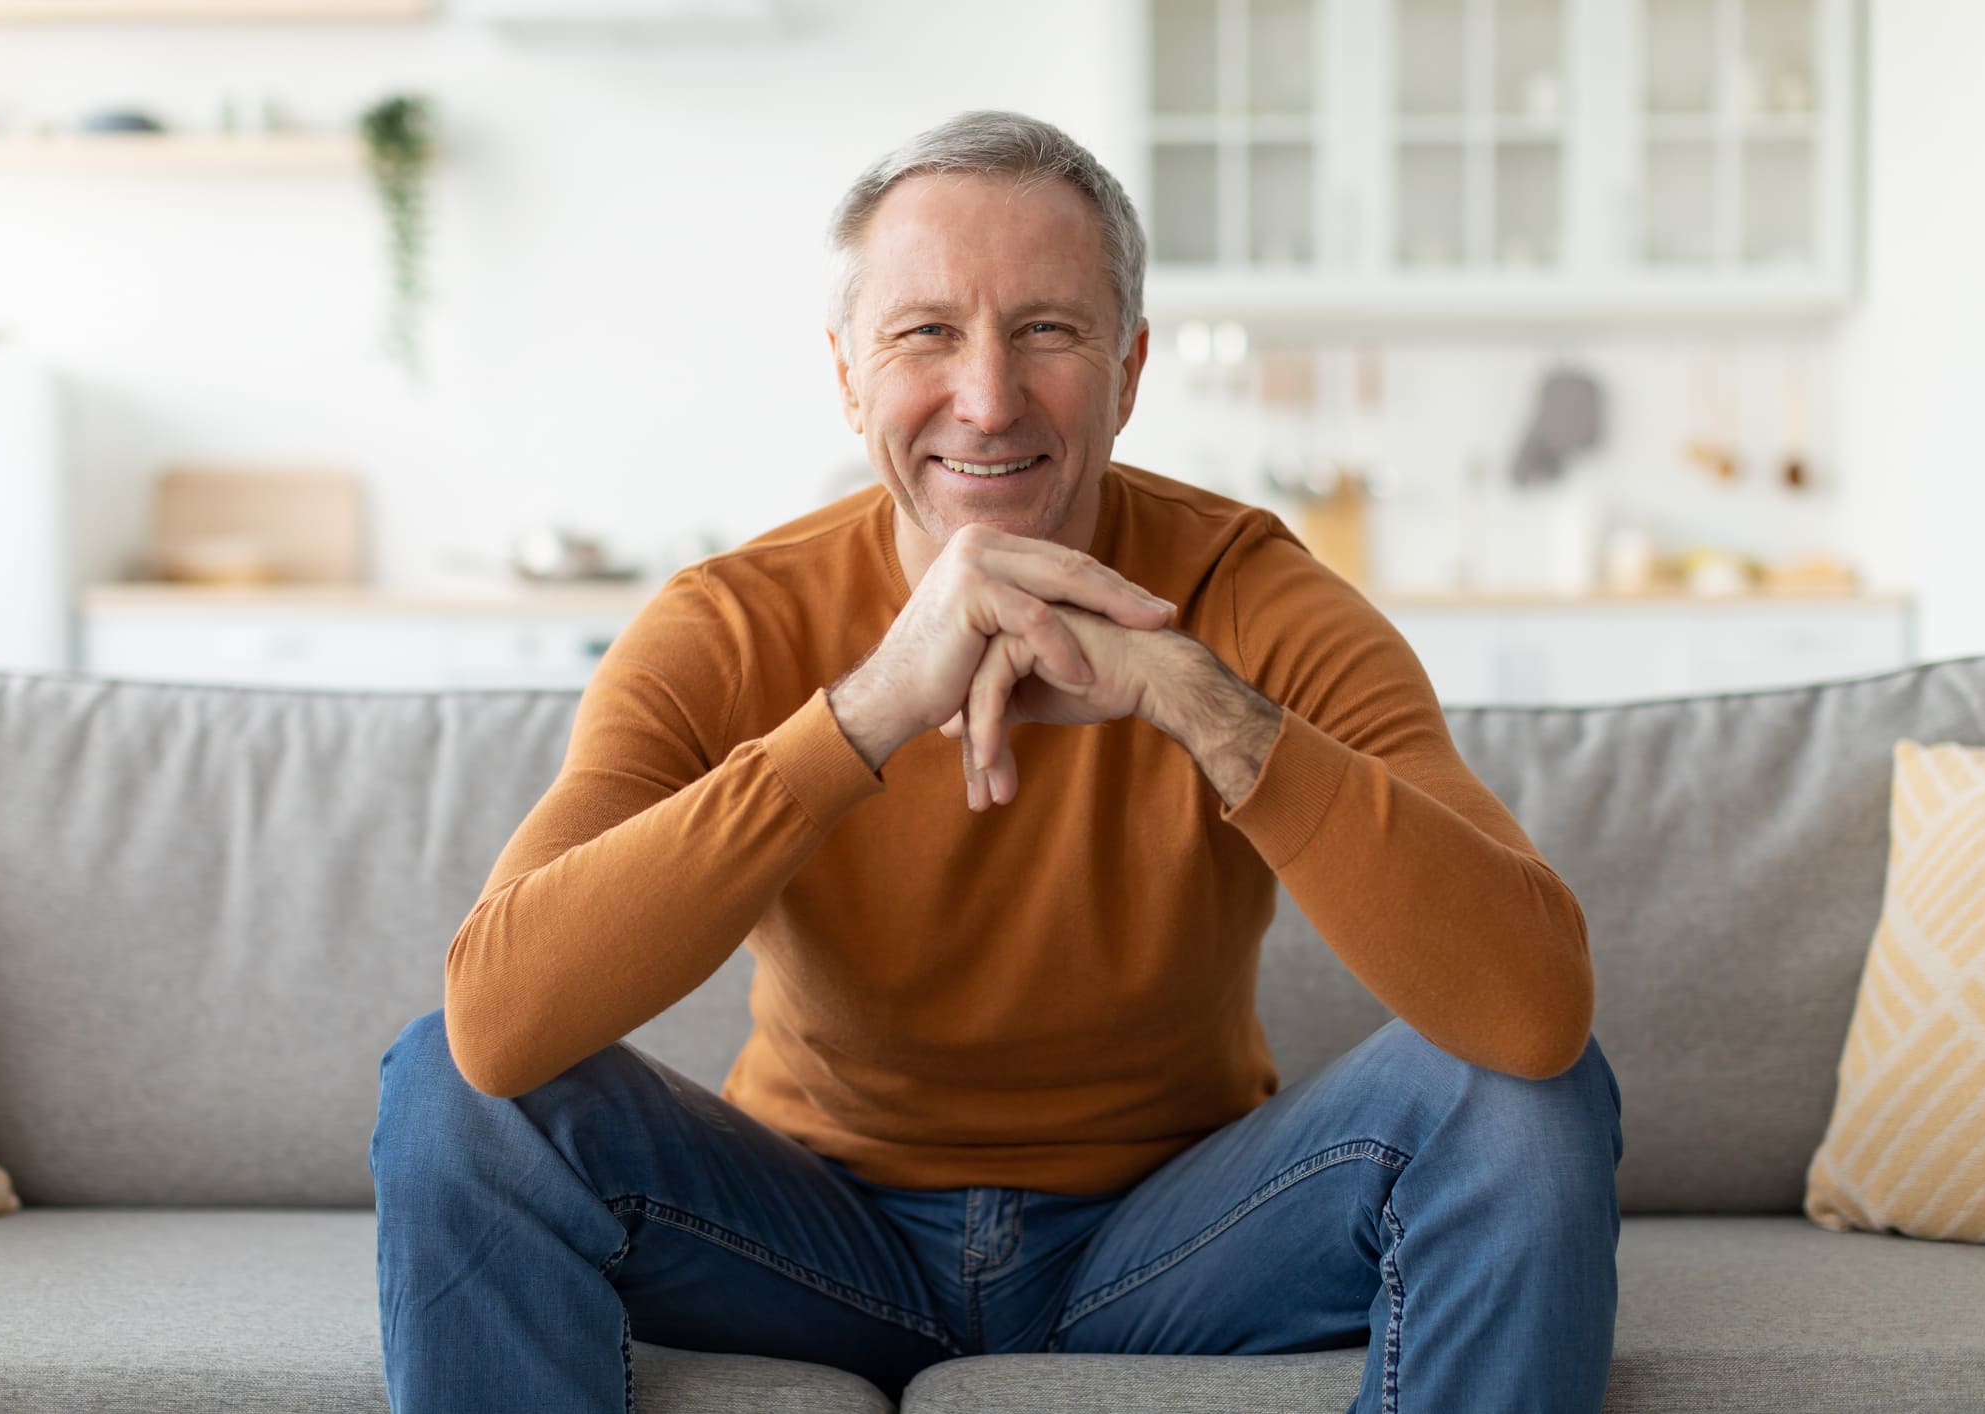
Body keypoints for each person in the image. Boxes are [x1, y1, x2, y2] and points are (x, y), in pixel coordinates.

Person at [370, 109, 1623, 1414]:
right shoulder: (730, 622)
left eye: (1047, 331)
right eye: (924, 333)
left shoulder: (1257, 598)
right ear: (847, 373)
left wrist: (1207, 707)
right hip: (805, 1240)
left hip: (1174, 1241)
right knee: (450, 1091)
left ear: (1129, 370)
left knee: (1520, 1106)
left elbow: (1532, 1013)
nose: (985, 397)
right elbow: (495, 1022)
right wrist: (862, 717)